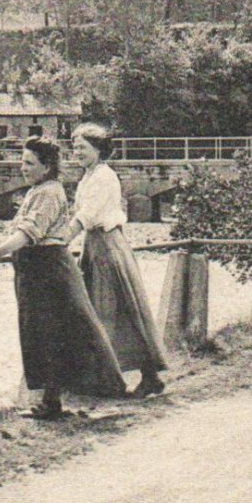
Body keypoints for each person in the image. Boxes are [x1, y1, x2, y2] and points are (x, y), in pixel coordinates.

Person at [0, 138, 127, 419]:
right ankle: (52, 400)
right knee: (43, 334)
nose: (23, 168)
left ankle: (59, 401)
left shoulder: (49, 193)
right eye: (22, 162)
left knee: (54, 333)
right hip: (37, 269)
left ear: (47, 167)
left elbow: (28, 233)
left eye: (29, 163)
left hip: (49, 271)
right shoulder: (39, 190)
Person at [55, 122, 169, 398]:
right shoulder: (88, 176)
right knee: (94, 310)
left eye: (82, 147)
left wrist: (60, 242)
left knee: (117, 310)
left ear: (97, 148)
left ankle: (145, 376)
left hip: (107, 246)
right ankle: (101, 377)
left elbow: (87, 215)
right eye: (74, 147)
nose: (76, 152)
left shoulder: (104, 177)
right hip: (94, 246)